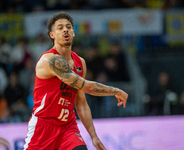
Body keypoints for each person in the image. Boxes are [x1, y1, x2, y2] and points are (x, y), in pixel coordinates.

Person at [23, 11, 128, 150]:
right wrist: (116, 90)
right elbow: (88, 87)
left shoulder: (80, 62)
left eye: (68, 27)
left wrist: (93, 136)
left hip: (67, 127)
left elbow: (81, 103)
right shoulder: (50, 60)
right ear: (52, 35)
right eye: (60, 28)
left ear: (73, 32)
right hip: (43, 127)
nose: (65, 29)